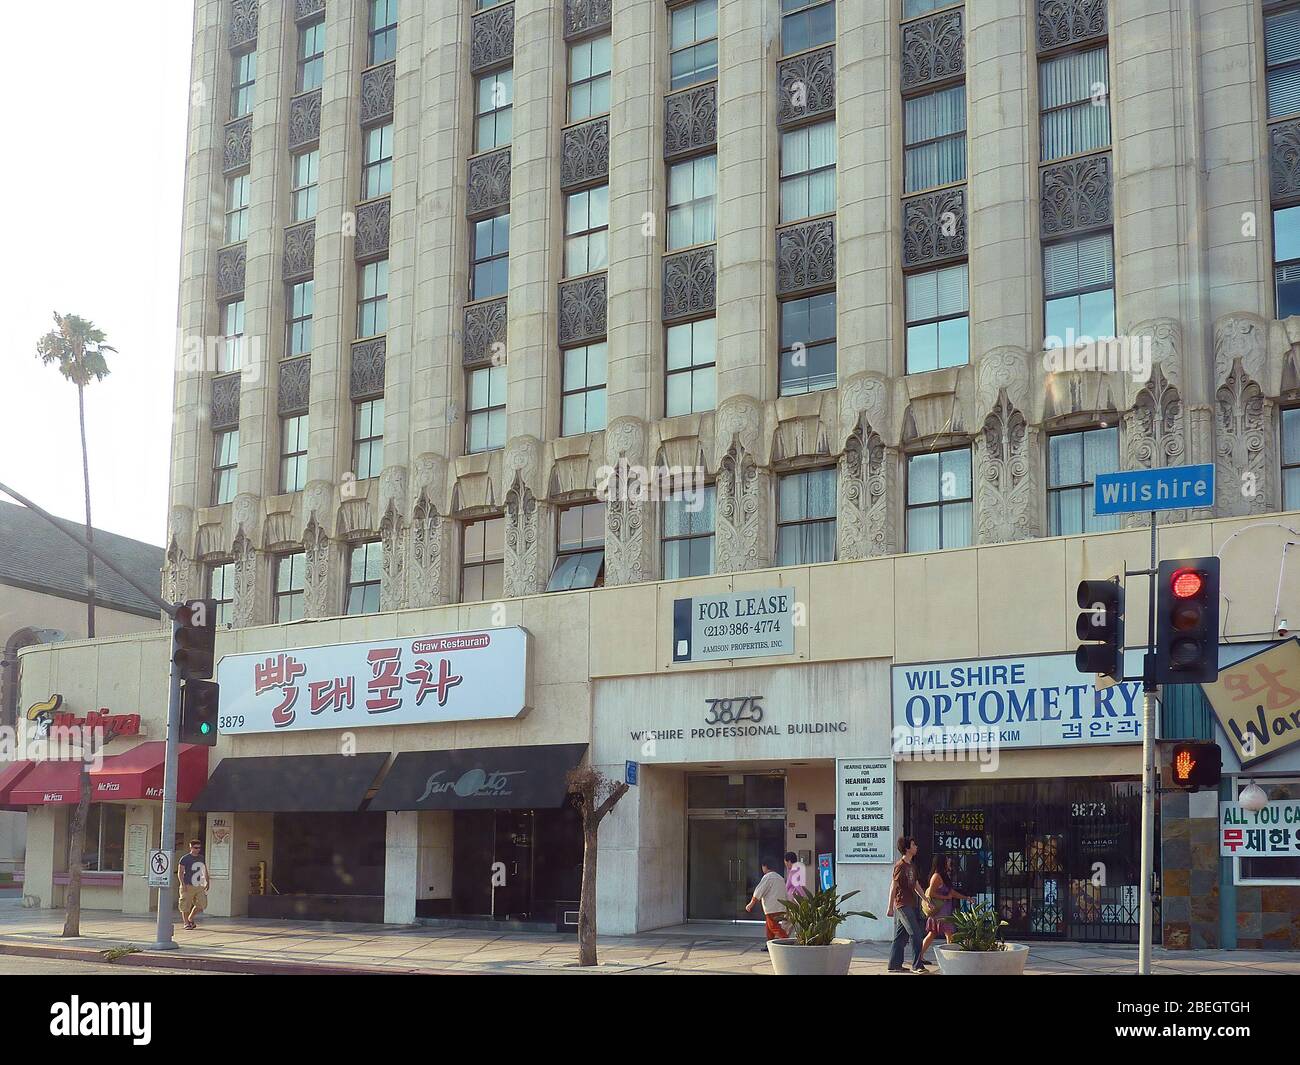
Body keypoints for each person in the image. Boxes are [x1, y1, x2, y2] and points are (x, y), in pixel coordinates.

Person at [886, 836, 927, 973]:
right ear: (907, 848)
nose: (916, 847)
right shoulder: (900, 866)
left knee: (900, 937)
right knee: (916, 934)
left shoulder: (912, 866)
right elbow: (894, 886)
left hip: (911, 903)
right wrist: (890, 907)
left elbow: (916, 885)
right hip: (902, 904)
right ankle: (917, 965)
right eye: (913, 845)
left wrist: (925, 899)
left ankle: (894, 965)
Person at [920, 853, 970, 961]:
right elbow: (931, 894)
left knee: (936, 934)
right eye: (947, 860)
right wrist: (945, 897)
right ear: (942, 863)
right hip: (939, 912)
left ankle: (920, 956)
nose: (949, 862)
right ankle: (952, 958)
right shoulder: (936, 876)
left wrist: (966, 898)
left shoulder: (944, 876)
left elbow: (952, 892)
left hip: (944, 911)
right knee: (948, 934)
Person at [745, 857, 789, 950]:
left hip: (771, 908)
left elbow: (758, 892)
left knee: (773, 927)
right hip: (781, 907)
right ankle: (769, 945)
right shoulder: (780, 877)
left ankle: (787, 941)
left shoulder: (768, 877)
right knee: (769, 927)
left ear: (765, 867)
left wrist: (750, 904)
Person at [177, 839, 209, 930]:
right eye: (195, 848)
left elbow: (204, 869)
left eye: (199, 848)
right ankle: (186, 923)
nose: (198, 849)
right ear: (191, 847)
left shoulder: (201, 858)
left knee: (202, 904)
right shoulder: (185, 858)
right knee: (185, 904)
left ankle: (190, 917)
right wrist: (182, 884)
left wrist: (207, 881)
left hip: (199, 884)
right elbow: (180, 872)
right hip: (187, 884)